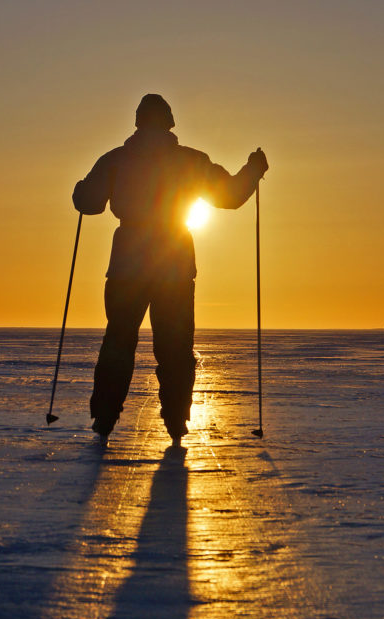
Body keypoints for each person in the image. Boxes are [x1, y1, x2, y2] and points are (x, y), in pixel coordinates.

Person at [73, 94, 268, 447]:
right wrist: (253, 170)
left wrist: (80, 191)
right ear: (169, 124)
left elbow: (89, 204)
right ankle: (176, 423)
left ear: (137, 123)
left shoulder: (116, 160)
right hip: (174, 265)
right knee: (176, 345)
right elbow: (230, 196)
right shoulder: (189, 161)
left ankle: (103, 419)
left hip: (127, 266)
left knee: (118, 341)